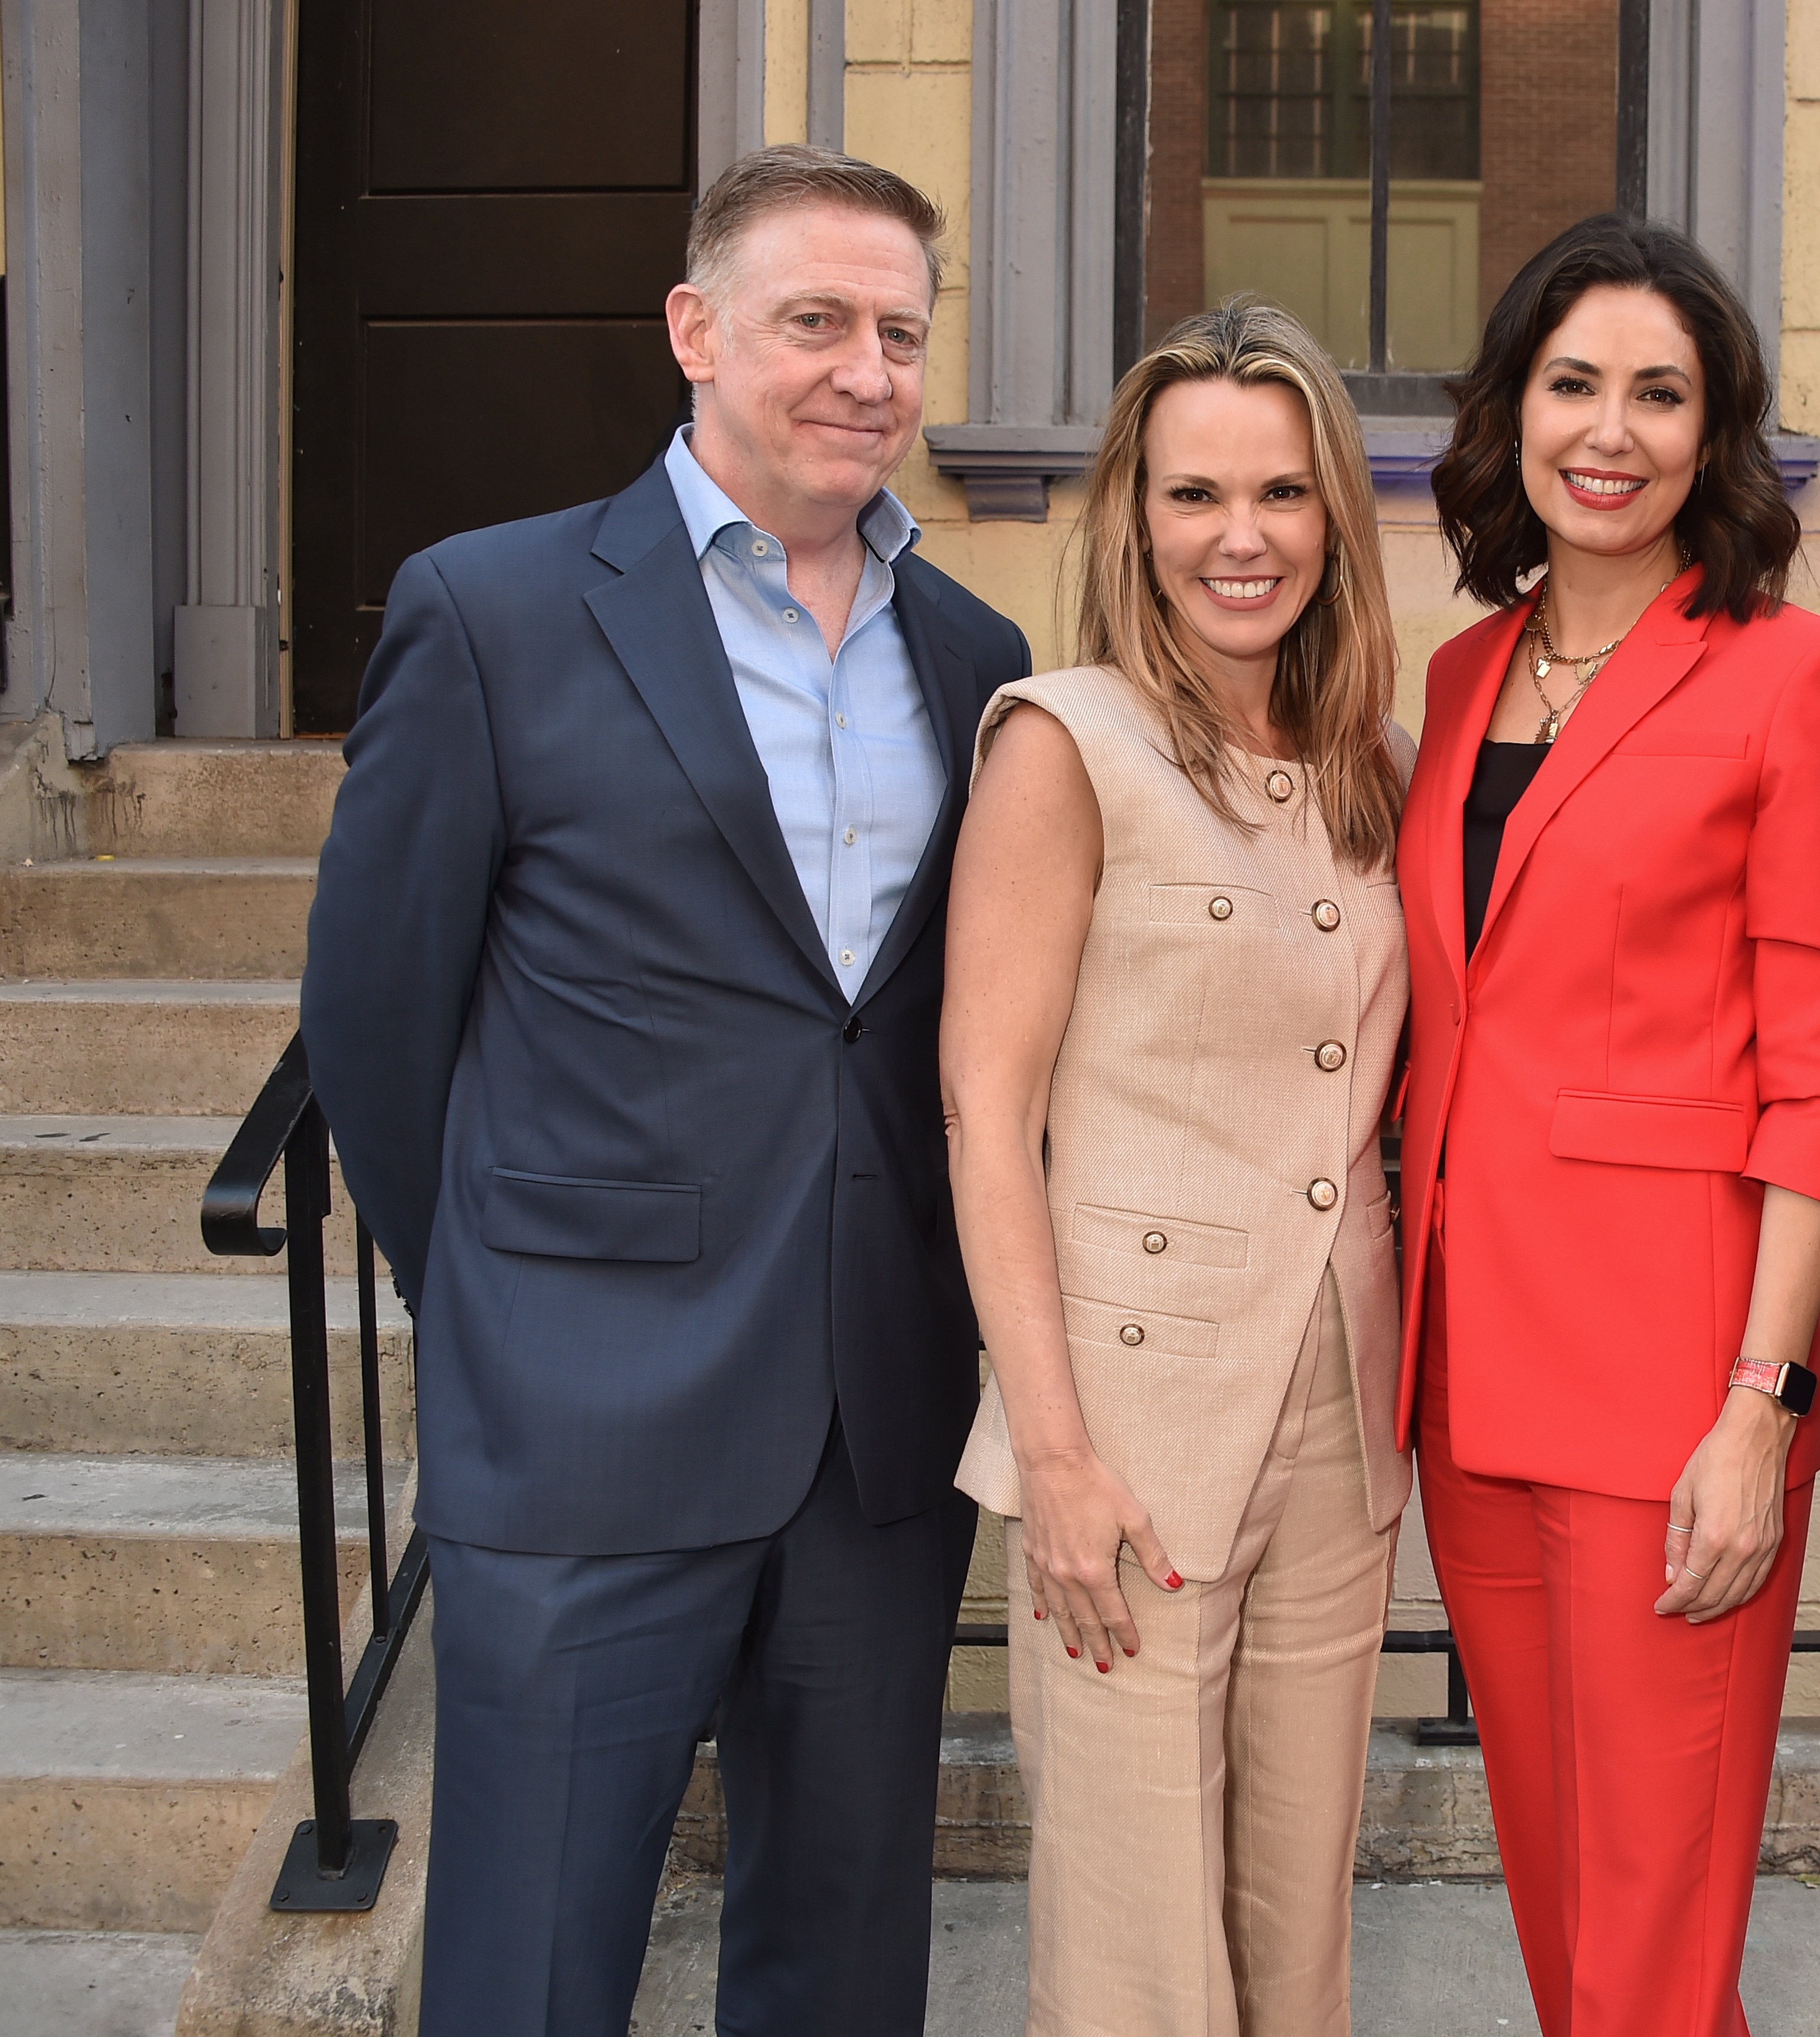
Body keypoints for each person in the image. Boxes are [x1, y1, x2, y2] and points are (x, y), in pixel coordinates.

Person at [299, 146, 1028, 2036]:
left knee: (843, 1968)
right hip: (582, 1425)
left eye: (899, 331)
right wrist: (494, 1321)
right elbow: (380, 1027)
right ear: (695, 331)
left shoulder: (975, 656)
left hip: (874, 1433)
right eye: (817, 321)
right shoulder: (493, 609)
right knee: (535, 1966)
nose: (866, 369)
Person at [1394, 213, 1820, 2035]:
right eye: (1574, 382)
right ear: (1513, 409)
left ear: (1718, 430)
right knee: (1561, 1907)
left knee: (1657, 1937)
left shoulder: (1801, 675)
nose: (1611, 430)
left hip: (1674, 1387)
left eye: (1661, 393)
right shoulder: (1464, 681)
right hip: (1468, 1381)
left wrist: (1758, 1410)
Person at [943, 300, 1413, 2036]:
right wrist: (1049, 1451)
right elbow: (986, 1112)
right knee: (1140, 1957)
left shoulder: (1374, 765)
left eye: (1284, 495)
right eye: (1197, 494)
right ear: (1135, 517)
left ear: (1334, 519)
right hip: (1129, 1426)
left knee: (1296, 1935)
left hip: (1343, 1416)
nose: (1242, 537)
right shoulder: (1061, 744)